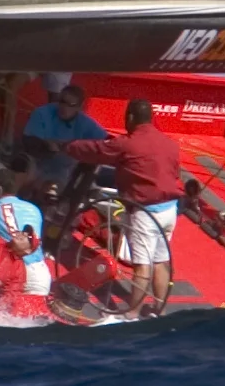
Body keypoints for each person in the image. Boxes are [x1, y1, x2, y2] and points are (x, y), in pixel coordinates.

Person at [65, 99, 185, 317]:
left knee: (142, 266)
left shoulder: (128, 143)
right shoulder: (170, 144)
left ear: (130, 117)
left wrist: (68, 146)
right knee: (161, 260)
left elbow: (97, 150)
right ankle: (160, 309)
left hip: (145, 212)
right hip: (170, 210)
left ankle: (131, 313)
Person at [22, 83, 108, 186]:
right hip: (39, 164)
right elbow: (28, 142)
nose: (64, 107)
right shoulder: (42, 113)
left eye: (71, 105)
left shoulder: (85, 123)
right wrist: (46, 145)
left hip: (67, 170)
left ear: (79, 107)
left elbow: (106, 144)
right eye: (62, 102)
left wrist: (76, 148)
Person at [0, 192, 51, 296]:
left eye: (28, 237)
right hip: (38, 270)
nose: (23, 234)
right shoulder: (34, 209)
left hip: (34, 276)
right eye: (24, 231)